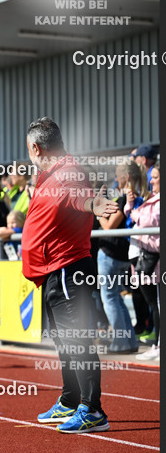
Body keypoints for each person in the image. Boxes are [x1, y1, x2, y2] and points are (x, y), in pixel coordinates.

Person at [22, 117, 117, 434]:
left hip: (67, 268)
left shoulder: (67, 173)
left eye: (29, 150)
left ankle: (93, 410)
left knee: (77, 340)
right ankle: (70, 400)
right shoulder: (51, 174)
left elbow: (79, 198)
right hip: (54, 270)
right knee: (64, 340)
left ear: (36, 148)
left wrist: (93, 204)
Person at [96, 161, 144, 353]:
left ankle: (121, 342)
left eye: (118, 175)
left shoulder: (125, 198)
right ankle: (129, 341)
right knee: (115, 298)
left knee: (110, 298)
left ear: (127, 177)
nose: (115, 179)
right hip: (120, 255)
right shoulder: (130, 197)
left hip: (111, 254)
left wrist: (97, 211)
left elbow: (109, 227)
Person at [127, 163, 159, 361]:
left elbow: (148, 221)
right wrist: (131, 205)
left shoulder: (156, 201)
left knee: (156, 304)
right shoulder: (152, 199)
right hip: (147, 258)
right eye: (151, 177)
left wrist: (135, 213)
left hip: (154, 260)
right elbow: (134, 217)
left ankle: (158, 345)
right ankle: (157, 344)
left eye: (155, 177)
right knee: (154, 303)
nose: (151, 181)